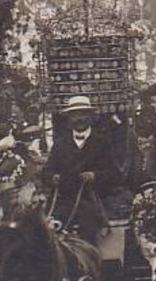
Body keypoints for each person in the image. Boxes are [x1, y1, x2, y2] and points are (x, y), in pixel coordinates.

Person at [42, 95, 125, 242]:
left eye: (82, 114)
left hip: (93, 200)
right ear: (69, 118)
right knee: (48, 231)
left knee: (89, 225)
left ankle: (89, 261)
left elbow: (115, 174)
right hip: (64, 201)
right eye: (74, 115)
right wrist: (52, 178)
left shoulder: (102, 142)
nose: (79, 118)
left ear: (91, 117)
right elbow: (46, 172)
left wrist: (95, 176)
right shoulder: (60, 144)